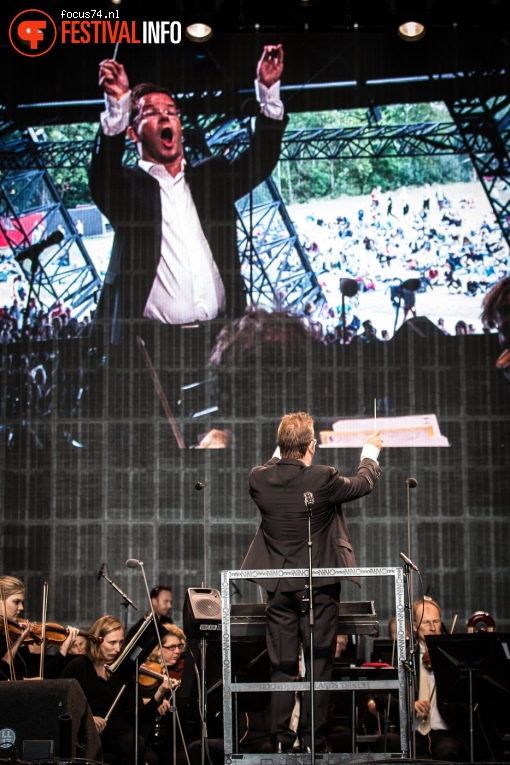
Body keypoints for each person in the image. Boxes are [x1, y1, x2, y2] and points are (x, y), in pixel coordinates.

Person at [89, 45, 286, 344]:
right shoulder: (125, 189)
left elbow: (261, 159)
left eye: (171, 112)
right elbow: (102, 173)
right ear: (133, 132)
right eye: (152, 113)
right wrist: (117, 106)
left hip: (221, 338)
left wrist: (268, 92)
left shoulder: (212, 178)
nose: (165, 117)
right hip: (153, 346)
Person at [241, 411, 383, 753]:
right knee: (318, 666)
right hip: (318, 587)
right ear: (312, 446)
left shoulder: (258, 479)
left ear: (281, 445)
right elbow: (363, 483)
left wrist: (286, 445)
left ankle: (280, 741)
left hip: (277, 587)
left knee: (281, 668)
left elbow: (273, 464)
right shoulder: (323, 478)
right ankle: (312, 744)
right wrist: (369, 453)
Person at [61, 614, 162, 765]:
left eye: (121, 642)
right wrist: (88, 718)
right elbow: (61, 701)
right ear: (97, 641)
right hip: (88, 733)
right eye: (112, 642)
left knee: (136, 744)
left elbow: (138, 715)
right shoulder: (78, 666)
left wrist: (159, 693)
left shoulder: (124, 669)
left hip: (120, 735)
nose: (118, 648)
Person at [412, 598, 467, 761]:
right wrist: (410, 703)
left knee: (448, 750)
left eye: (436, 621)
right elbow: (388, 696)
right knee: (388, 743)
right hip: (412, 732)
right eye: (427, 622)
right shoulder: (405, 656)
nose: (434, 628)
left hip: (443, 732)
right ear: (415, 626)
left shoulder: (450, 656)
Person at [0, 574, 78, 680]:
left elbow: (38, 679)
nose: (21, 607)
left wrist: (63, 651)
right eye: (16, 602)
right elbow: (3, 674)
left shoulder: (16, 634)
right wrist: (18, 641)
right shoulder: (16, 638)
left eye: (22, 602)